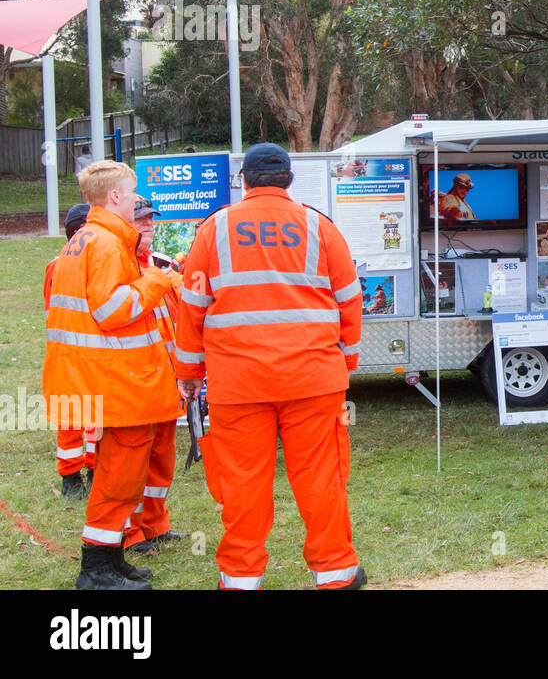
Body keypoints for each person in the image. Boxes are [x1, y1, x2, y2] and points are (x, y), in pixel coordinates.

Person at [175, 143, 366, 590]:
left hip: (237, 383)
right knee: (321, 478)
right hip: (313, 379)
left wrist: (188, 374)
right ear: (289, 181)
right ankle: (336, 573)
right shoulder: (321, 227)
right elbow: (350, 301)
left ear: (243, 180)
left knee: (242, 484)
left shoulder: (213, 230)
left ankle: (240, 579)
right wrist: (346, 361)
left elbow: (192, 309)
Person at [44, 161, 177, 589]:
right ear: (114, 198)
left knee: (116, 477)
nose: (139, 199)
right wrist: (156, 280)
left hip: (100, 381)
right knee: (117, 479)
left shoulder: (86, 240)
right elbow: (112, 310)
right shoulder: (105, 243)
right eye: (133, 191)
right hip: (116, 384)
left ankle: (109, 559)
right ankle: (97, 568)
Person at [122, 198, 187, 556]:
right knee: (130, 464)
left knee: (161, 457)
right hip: (132, 382)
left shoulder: (159, 265)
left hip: (164, 381)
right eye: (140, 219)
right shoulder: (119, 267)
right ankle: (128, 532)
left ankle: (155, 524)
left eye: (150, 219)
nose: (147, 224)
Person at [47, 203, 98, 499]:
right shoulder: (61, 265)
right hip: (70, 351)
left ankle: (92, 468)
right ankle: (70, 476)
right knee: (73, 415)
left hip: (84, 349)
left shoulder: (67, 261)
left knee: (94, 413)